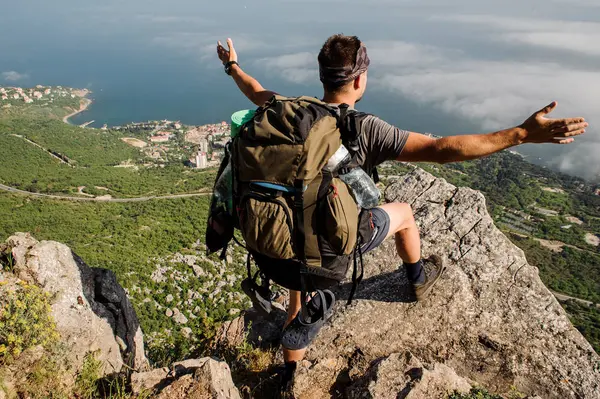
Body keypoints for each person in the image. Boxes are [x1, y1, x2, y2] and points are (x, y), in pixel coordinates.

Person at [216, 34, 588, 394]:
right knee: (405, 213)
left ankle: (290, 370)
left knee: (300, 258)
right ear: (360, 79)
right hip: (328, 254)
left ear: (322, 76)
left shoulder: (284, 111)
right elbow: (442, 148)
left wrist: (232, 65)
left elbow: (254, 89)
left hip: (276, 249)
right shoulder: (364, 128)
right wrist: (521, 133)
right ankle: (417, 277)